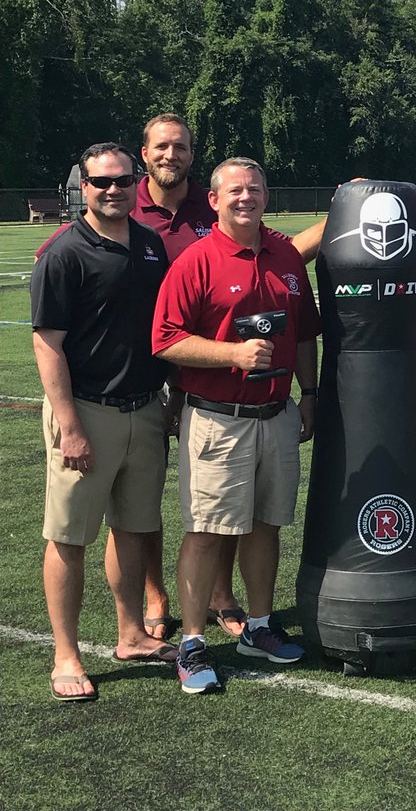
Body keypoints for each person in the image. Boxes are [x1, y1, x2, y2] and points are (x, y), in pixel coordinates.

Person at [152, 157, 320, 694]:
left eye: (254, 189)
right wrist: (232, 353)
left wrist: (310, 393)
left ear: (267, 196)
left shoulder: (286, 255)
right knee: (205, 532)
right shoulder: (197, 260)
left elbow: (305, 333)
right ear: (215, 200)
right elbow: (166, 340)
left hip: (277, 414)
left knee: (267, 525)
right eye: (235, 191)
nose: (245, 198)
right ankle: (193, 642)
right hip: (218, 419)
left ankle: (260, 627)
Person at [32, 143, 178, 702]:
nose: (112, 189)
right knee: (69, 537)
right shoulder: (64, 252)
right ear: (84, 187)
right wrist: (69, 426)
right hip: (86, 411)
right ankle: (65, 654)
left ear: (136, 181)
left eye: (121, 180)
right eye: (100, 182)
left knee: (134, 527)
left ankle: (131, 634)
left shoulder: (149, 244)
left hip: (144, 407)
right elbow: (47, 345)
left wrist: (168, 398)